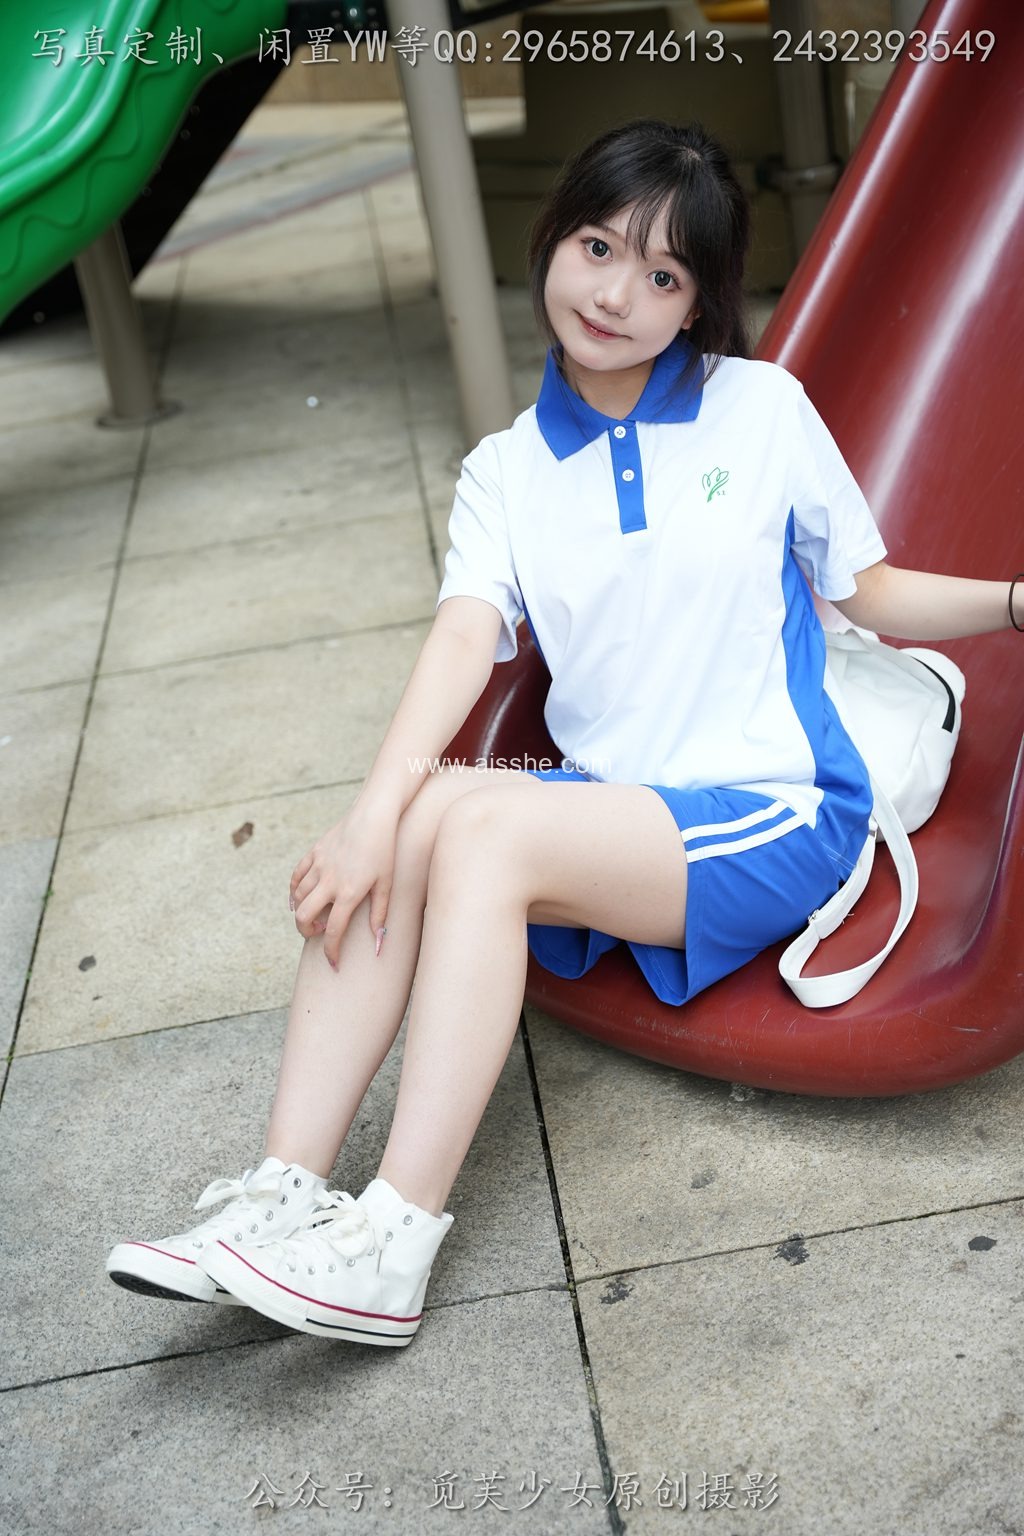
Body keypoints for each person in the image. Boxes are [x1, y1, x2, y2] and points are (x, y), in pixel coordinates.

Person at [106, 118, 1024, 1347]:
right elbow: (460, 641)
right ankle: (282, 1192)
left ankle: (393, 1240)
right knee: (426, 812)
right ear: (553, 240)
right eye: (598, 247)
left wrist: (1014, 601)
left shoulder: (760, 410)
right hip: (617, 810)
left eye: (663, 275)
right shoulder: (504, 471)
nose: (615, 294)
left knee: (482, 835)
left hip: (775, 808)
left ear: (697, 305)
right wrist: (371, 815)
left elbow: (869, 591)